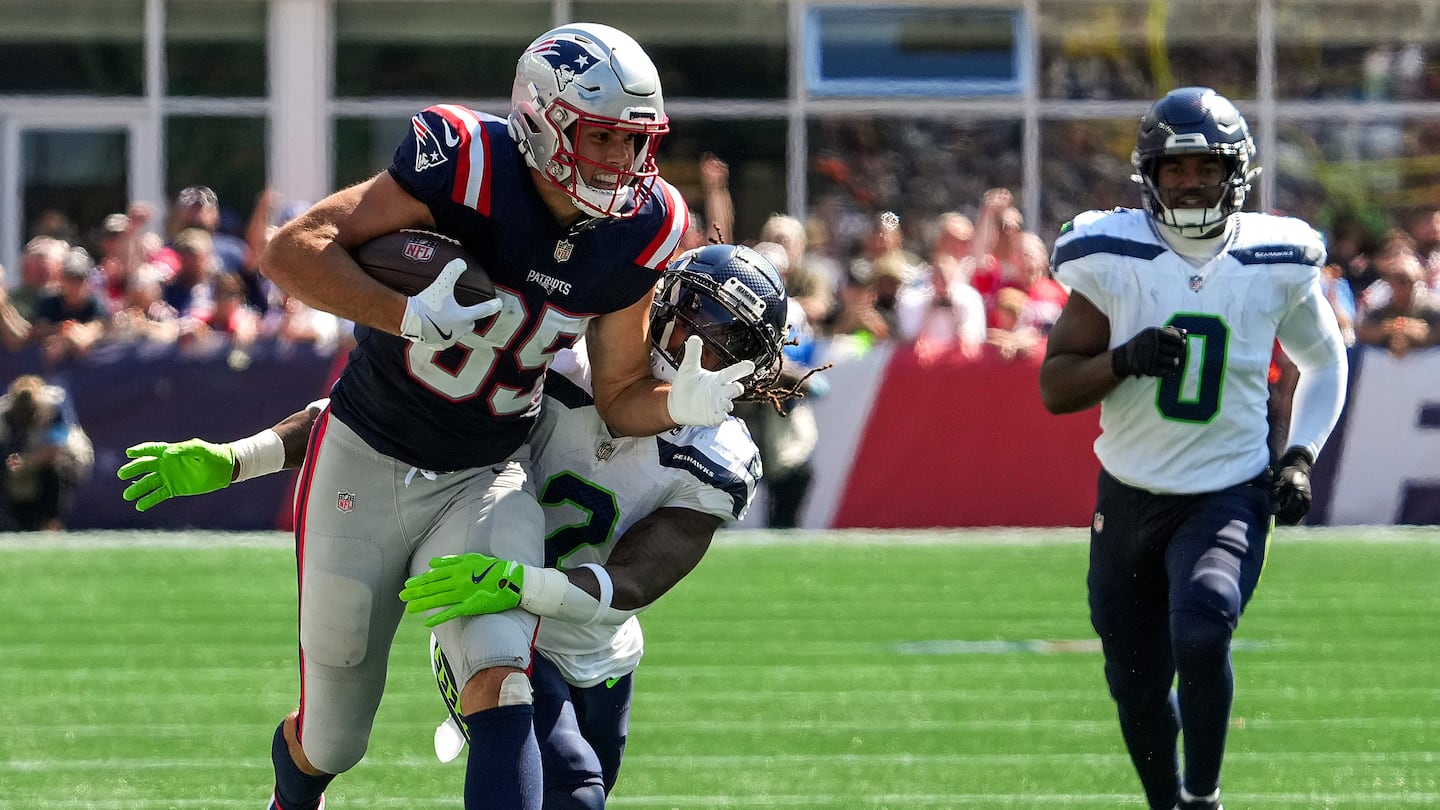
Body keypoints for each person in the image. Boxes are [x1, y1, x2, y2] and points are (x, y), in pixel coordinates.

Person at [247, 22, 750, 810]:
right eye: (604, 138)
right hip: (367, 452)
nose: (625, 163)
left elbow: (621, 393)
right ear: (541, 119)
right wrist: (404, 313)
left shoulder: (644, 226)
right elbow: (292, 251)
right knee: (334, 736)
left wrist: (680, 404)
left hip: (485, 473)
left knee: (501, 677)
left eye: (636, 142)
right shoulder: (465, 160)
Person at [117, 243, 797, 808]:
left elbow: (634, 581)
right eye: (698, 319)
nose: (705, 346)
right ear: (663, 305)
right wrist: (240, 459)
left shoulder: (720, 457)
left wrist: (523, 583)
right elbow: (373, 423)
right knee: (574, 785)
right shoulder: (558, 361)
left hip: (596, 644)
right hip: (488, 601)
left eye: (731, 339)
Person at [1038, 87, 1349, 810]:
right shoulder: (1109, 253)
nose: (1189, 181)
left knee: (1204, 625)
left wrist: (1300, 454)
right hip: (1130, 492)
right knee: (1138, 682)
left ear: (1236, 171)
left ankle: (1203, 797)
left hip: (1228, 488)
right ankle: (1166, 804)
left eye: (1204, 166)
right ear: (1149, 173)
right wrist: (1124, 360)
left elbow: (1326, 362)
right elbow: (1056, 388)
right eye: (1174, 168)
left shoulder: (1277, 255)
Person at [0, 374, 93, 531]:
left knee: (58, 468)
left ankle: (51, 524)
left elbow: (58, 445)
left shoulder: (54, 405)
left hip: (60, 461)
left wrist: (28, 462)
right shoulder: (5, 413)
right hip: (22, 464)